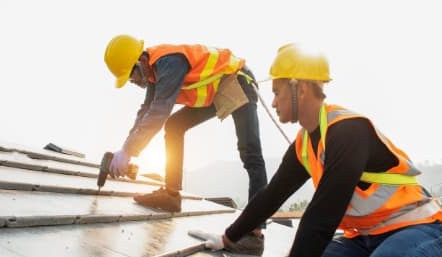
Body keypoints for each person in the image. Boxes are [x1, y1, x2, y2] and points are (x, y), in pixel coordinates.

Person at [188, 43, 442, 257]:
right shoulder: (305, 145)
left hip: (417, 228)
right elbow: (271, 196)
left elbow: (321, 217)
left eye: (277, 92)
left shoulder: (347, 131)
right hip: (365, 237)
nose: (274, 102)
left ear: (300, 88)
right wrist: (227, 238)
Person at [102, 34, 268, 246]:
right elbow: (145, 112)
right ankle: (171, 195)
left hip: (237, 81)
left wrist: (128, 151)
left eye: (131, 75)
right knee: (175, 126)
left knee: (250, 153)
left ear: (140, 62)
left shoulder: (169, 62)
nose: (132, 82)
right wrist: (124, 150)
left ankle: (254, 233)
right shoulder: (153, 74)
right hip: (218, 90)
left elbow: (158, 112)